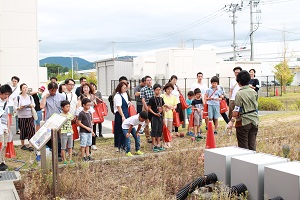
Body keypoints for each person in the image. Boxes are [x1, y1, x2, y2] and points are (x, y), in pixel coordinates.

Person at [227, 70, 259, 150]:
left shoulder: (239, 93)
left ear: (238, 82)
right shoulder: (254, 92)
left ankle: (245, 162)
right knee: (252, 145)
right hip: (254, 120)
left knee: (243, 147)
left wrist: (231, 121)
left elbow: (237, 109)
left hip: (244, 121)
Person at [40, 82, 66, 158]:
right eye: (51, 91)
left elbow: (65, 107)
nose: (53, 92)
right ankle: (53, 149)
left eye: (55, 91)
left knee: (59, 137)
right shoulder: (46, 97)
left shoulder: (61, 96)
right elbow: (42, 106)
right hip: (50, 120)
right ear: (48, 90)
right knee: (49, 137)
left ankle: (58, 153)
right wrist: (45, 97)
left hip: (59, 119)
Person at [76, 83, 98, 150]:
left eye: (87, 87)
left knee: (92, 129)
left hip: (91, 114)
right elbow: (78, 106)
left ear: (89, 88)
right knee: (84, 131)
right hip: (84, 115)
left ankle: (93, 144)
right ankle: (83, 147)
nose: (86, 89)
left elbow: (95, 105)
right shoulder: (81, 96)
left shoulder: (92, 96)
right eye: (84, 88)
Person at [14, 83, 36, 151]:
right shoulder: (18, 97)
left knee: (31, 130)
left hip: (29, 115)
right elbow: (15, 107)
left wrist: (31, 105)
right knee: (22, 130)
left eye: (26, 87)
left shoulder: (30, 97)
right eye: (24, 88)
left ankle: (30, 145)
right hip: (21, 116)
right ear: (21, 89)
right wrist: (19, 107)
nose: (25, 89)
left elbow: (34, 104)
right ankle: (23, 145)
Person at [147, 84, 165, 152]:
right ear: (154, 90)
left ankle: (158, 144)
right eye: (157, 89)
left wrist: (163, 116)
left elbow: (163, 107)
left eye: (159, 89)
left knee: (159, 130)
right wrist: (154, 113)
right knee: (154, 130)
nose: (158, 91)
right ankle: (153, 145)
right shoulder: (152, 99)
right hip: (154, 116)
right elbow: (149, 108)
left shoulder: (161, 99)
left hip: (160, 116)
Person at [113, 82, 130, 152]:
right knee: (119, 130)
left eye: (126, 88)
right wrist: (122, 116)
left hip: (126, 113)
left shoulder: (125, 94)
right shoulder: (117, 96)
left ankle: (124, 145)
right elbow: (118, 107)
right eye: (123, 88)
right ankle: (118, 146)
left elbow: (125, 103)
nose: (125, 89)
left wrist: (128, 103)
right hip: (120, 115)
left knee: (125, 130)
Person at [0, 84, 12, 171]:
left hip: (4, 126)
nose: (6, 96)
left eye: (8, 94)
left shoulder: (6, 102)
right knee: (1, 144)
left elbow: (8, 115)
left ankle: (2, 161)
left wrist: (8, 127)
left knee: (4, 145)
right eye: (5, 94)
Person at [161, 83, 177, 147]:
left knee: (170, 129)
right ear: (165, 89)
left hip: (170, 114)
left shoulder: (173, 97)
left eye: (171, 89)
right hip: (164, 114)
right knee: (165, 128)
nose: (169, 90)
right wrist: (166, 106)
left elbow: (175, 105)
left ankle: (169, 141)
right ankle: (164, 141)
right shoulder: (162, 96)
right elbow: (161, 104)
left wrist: (172, 107)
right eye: (168, 89)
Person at [140, 75, 154, 143]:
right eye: (148, 80)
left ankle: (154, 135)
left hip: (153, 107)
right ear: (145, 81)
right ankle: (148, 137)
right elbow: (143, 99)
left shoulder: (153, 88)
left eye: (150, 80)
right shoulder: (143, 89)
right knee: (147, 123)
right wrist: (146, 107)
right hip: (146, 106)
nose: (149, 81)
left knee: (154, 122)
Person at [60, 100, 74, 164]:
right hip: (63, 132)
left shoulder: (70, 115)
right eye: (66, 107)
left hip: (70, 132)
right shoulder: (60, 115)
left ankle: (70, 159)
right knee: (63, 147)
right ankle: (64, 159)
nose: (68, 108)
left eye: (69, 107)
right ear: (62, 107)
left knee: (70, 146)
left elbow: (71, 122)